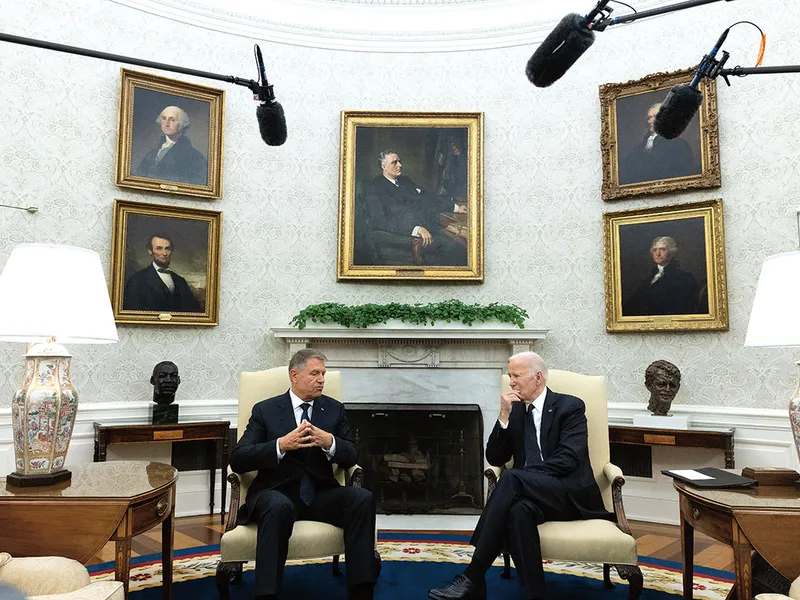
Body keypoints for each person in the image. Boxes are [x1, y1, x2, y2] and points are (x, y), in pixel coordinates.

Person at [428, 352, 610, 600]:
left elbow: (568, 459)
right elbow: (494, 458)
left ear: (537, 377)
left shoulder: (570, 406)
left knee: (513, 478)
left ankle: (473, 574)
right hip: (531, 495)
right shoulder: (514, 412)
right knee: (518, 512)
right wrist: (503, 417)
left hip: (569, 494)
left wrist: (525, 477)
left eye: (516, 375)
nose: (511, 382)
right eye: (509, 375)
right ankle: (536, 594)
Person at [230, 349, 379, 600]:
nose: (322, 379)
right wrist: (280, 445)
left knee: (362, 499)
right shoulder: (266, 410)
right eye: (315, 373)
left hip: (320, 493)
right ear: (294, 375)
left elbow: (352, 454)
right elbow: (239, 458)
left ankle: (361, 592)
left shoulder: (333, 409)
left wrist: (330, 442)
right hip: (275, 492)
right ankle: (266, 595)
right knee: (278, 507)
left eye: (324, 374)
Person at [363, 150, 468, 266]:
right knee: (457, 248)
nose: (400, 165)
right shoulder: (374, 188)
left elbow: (427, 197)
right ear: (384, 167)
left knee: (462, 242)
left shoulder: (405, 181)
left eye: (399, 161)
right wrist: (416, 229)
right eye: (394, 162)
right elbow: (380, 220)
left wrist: (455, 207)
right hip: (406, 237)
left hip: (429, 229)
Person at [618, 102, 699, 185]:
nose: (651, 121)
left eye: (656, 116)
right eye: (649, 117)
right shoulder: (642, 145)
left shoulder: (679, 144)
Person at [623, 236, 702, 317]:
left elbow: (685, 307)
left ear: (672, 252)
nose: (658, 254)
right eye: (655, 250)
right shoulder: (647, 280)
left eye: (662, 249)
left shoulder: (685, 278)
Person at [123, 234, 202, 313]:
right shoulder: (136, 280)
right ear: (150, 251)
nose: (164, 253)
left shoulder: (181, 281)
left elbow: (194, 312)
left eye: (167, 249)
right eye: (159, 248)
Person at [134, 105, 208, 185]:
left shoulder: (195, 157)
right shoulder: (151, 155)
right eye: (164, 118)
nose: (166, 124)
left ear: (182, 124)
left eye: (172, 120)